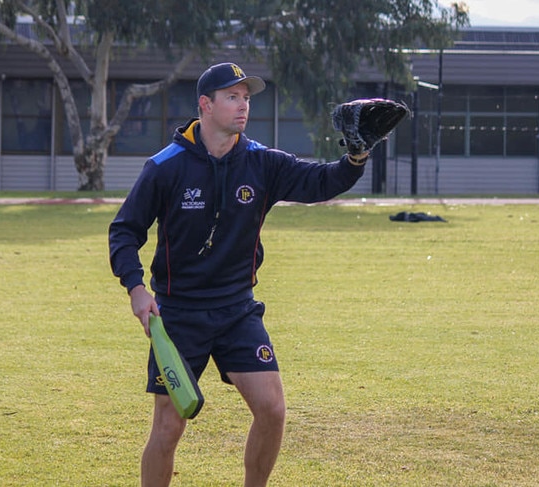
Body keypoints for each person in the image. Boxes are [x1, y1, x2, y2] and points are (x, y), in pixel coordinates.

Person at [108, 62, 368, 487]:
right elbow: (124, 230)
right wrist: (136, 288)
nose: (243, 105)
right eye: (233, 97)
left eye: (246, 98)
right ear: (205, 105)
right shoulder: (165, 166)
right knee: (169, 427)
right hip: (178, 316)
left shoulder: (263, 163)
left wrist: (356, 157)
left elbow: (322, 181)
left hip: (237, 312)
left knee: (272, 409)